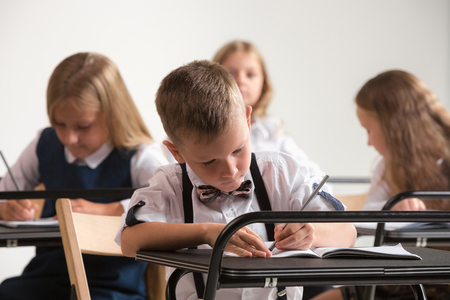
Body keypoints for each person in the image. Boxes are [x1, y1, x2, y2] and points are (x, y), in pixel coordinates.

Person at [116, 60, 356, 300]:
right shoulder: (170, 184)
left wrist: (312, 232)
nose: (230, 171)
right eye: (209, 162)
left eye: (238, 150)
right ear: (176, 151)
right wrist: (207, 233)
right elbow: (129, 241)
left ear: (248, 120)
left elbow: (347, 231)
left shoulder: (281, 172)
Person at [0, 52, 169, 300]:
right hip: (44, 281)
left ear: (113, 115)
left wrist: (108, 210)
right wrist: (6, 209)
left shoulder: (141, 156)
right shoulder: (43, 144)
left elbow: (173, 202)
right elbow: (4, 193)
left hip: (113, 288)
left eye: (83, 126)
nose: (69, 139)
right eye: (60, 124)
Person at [311, 70, 450, 300]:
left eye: (368, 130)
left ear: (393, 125)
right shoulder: (386, 169)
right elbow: (366, 217)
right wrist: (392, 208)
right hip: (406, 277)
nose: (367, 142)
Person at [212, 40, 326, 178]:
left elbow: (318, 181)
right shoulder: (197, 130)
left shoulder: (274, 134)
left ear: (263, 84)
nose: (241, 80)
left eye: (250, 75)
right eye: (231, 73)